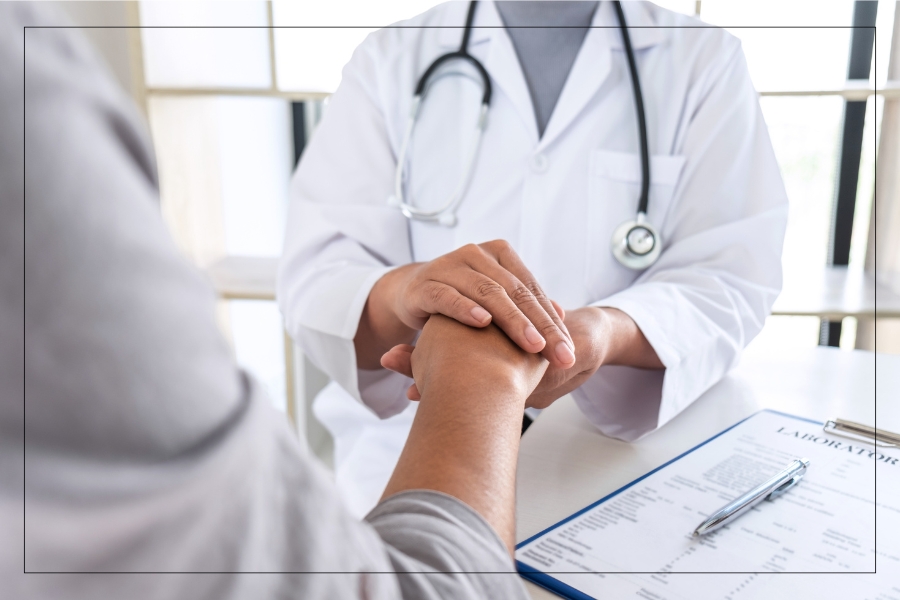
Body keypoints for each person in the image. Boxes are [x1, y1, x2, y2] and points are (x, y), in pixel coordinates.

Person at [3, 4, 546, 598]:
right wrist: (475, 356)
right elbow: (316, 273)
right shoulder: (392, 56)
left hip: (599, 457)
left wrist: (617, 329)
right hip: (425, 477)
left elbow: (673, 278)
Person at [278, 0, 789, 518]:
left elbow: (732, 276)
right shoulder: (387, 58)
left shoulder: (703, 60)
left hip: (610, 464)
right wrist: (407, 290)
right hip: (406, 454)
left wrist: (605, 332)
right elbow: (318, 275)